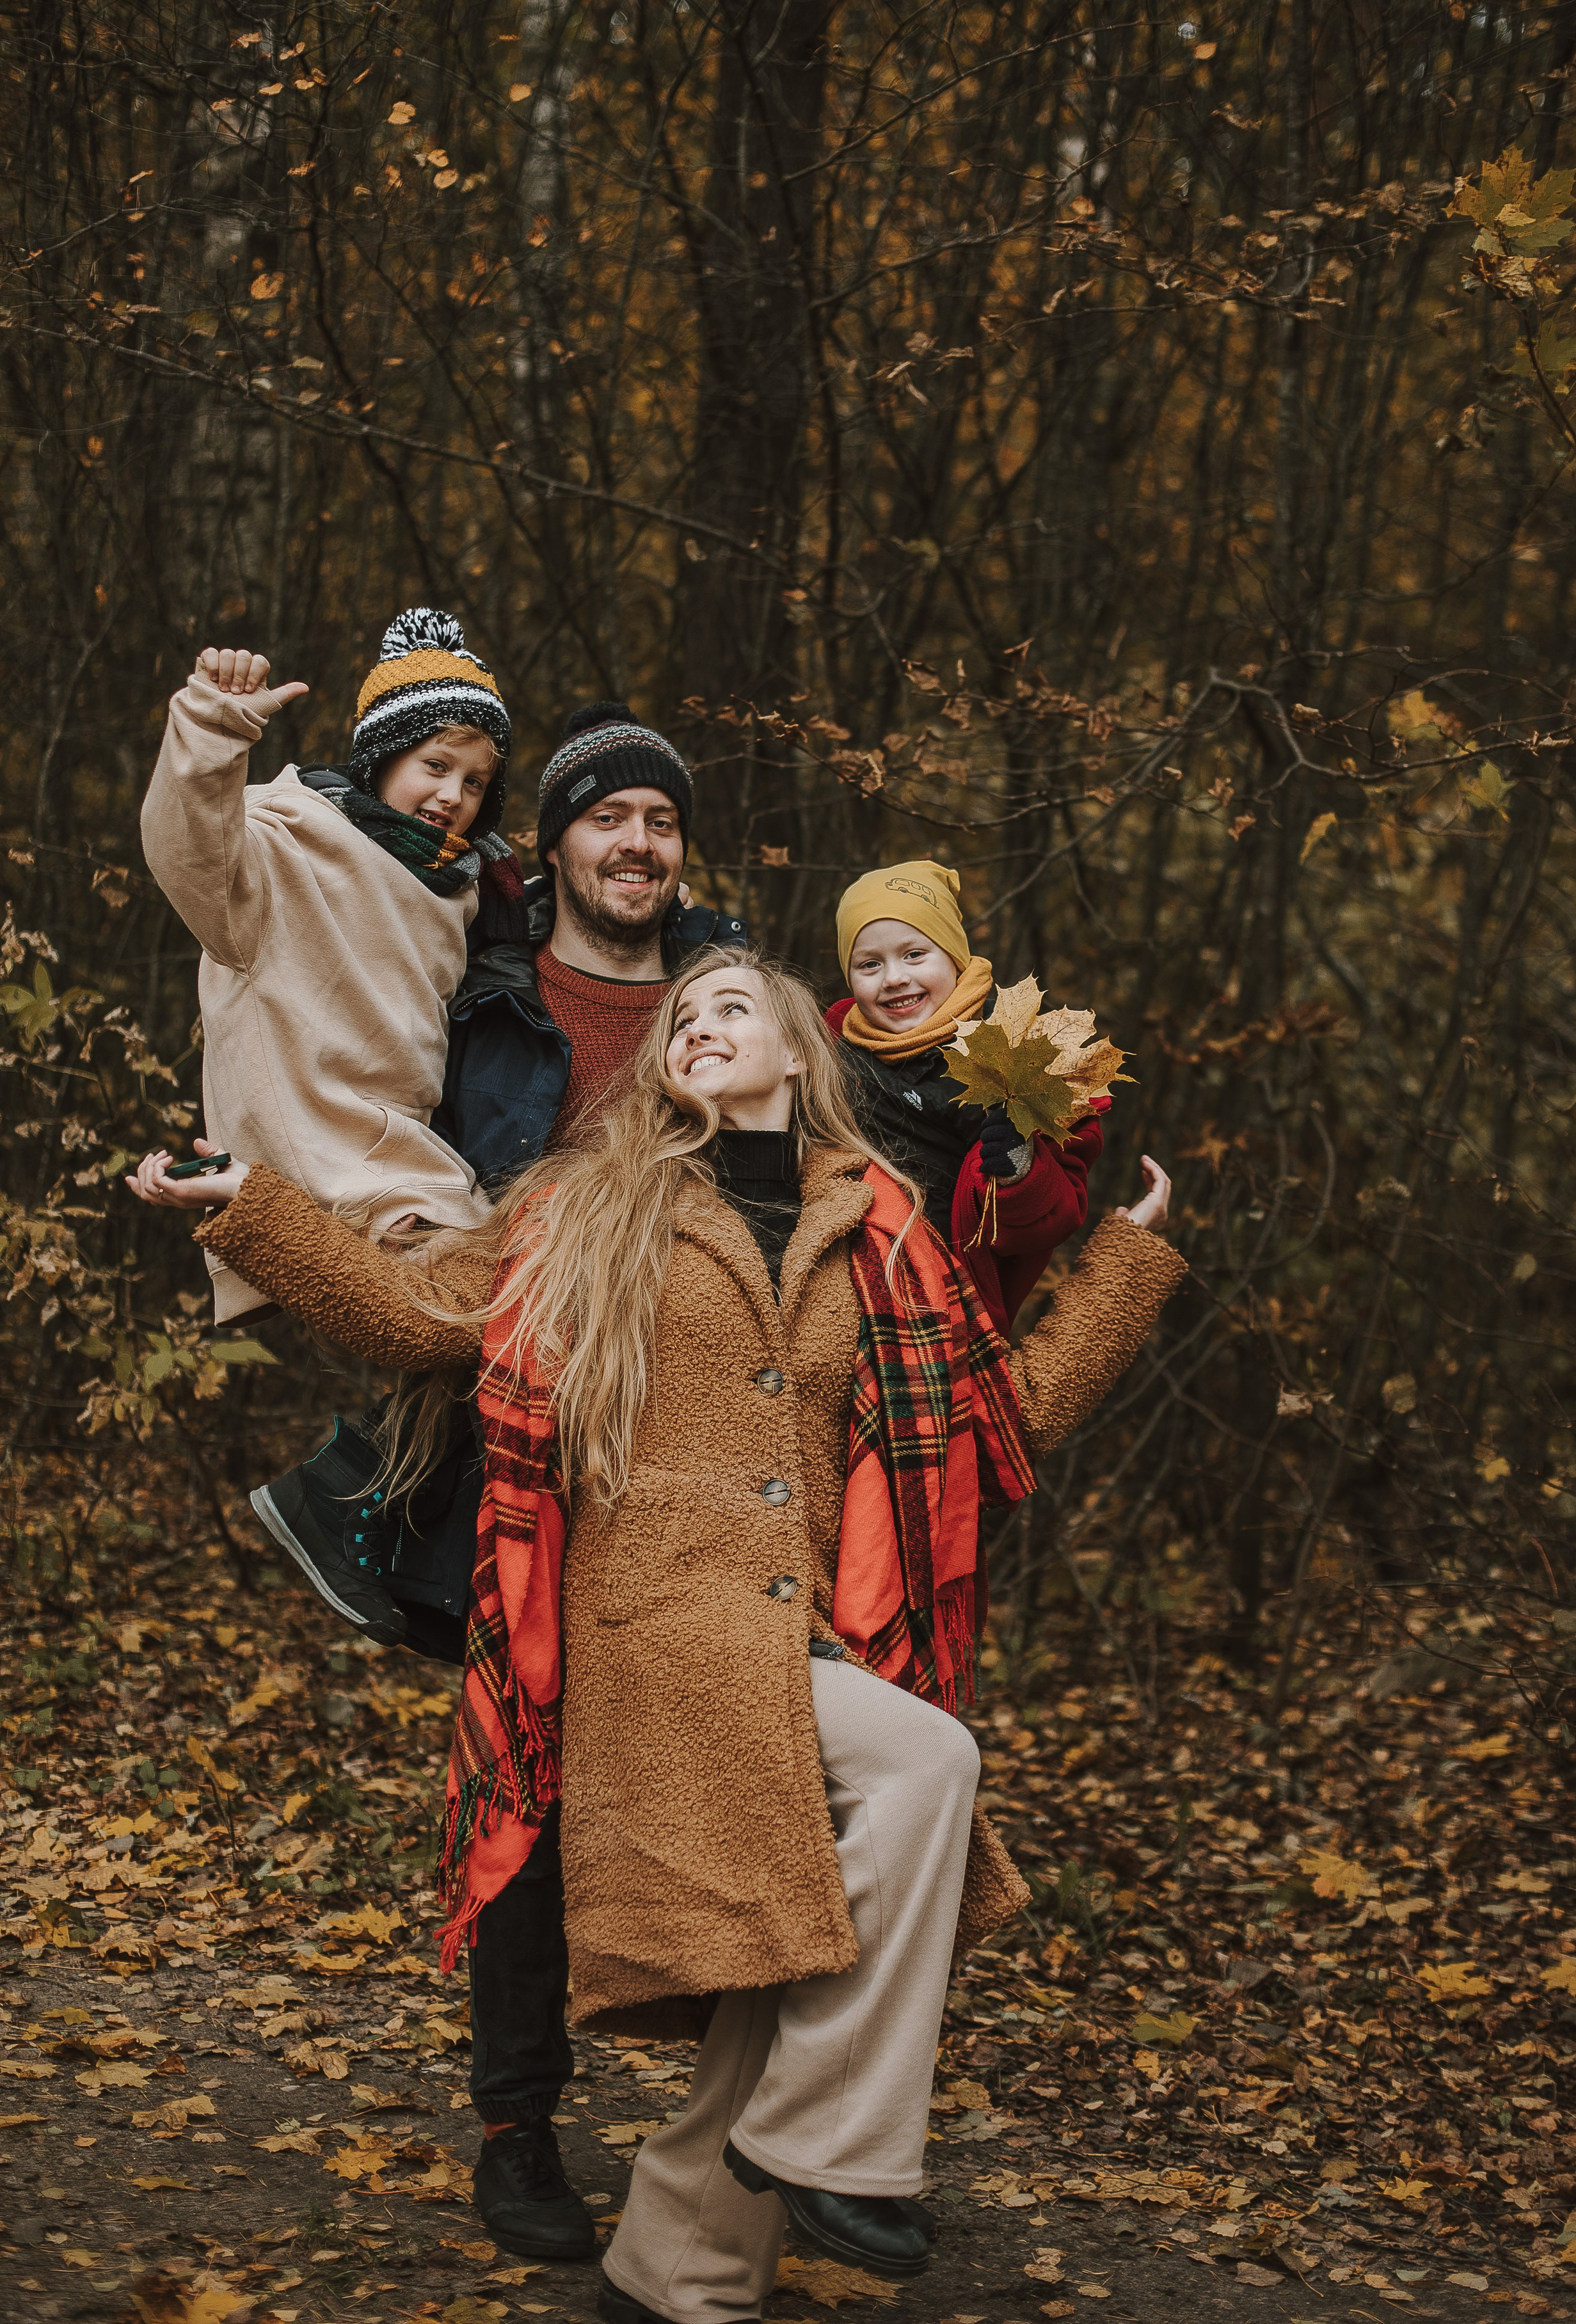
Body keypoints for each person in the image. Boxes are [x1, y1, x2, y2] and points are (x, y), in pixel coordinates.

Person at [129, 945, 1184, 2320]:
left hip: (800, 1630)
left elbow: (1002, 1423)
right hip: (648, 1625)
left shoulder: (881, 1226)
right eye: (681, 1015)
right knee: (926, 1766)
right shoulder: (589, 1202)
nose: (697, 1025)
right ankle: (833, 2144)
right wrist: (250, 1210)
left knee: (808, 1933)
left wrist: (1126, 1268)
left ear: (801, 1053)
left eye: (730, 1007)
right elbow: (414, 1312)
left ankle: (681, 2260)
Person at [210, 700, 744, 2264]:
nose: (635, 842)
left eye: (658, 820)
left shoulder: (729, 997)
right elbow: (328, 1024)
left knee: (729, 1779)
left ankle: (736, 2133)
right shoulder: (476, 972)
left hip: (699, 1449)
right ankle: (519, 2125)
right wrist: (249, 1182)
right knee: (531, 1787)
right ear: (558, 839)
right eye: (605, 817)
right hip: (523, 1442)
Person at [140, 608, 518, 1325]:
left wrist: (662, 917)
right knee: (488, 1320)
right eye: (435, 766)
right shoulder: (288, 844)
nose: (452, 796)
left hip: (413, 1169)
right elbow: (189, 851)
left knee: (519, 1323)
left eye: (474, 783)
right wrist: (215, 732)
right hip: (319, 1165)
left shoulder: (462, 887)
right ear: (381, 759)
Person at [829, 861, 1106, 1332]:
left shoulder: (1024, 1055)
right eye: (869, 964)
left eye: (915, 954)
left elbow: (1056, 1215)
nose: (894, 978)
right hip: (847, 1288)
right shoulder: (829, 1049)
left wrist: (1018, 1170)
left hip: (949, 1301)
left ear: (955, 957)